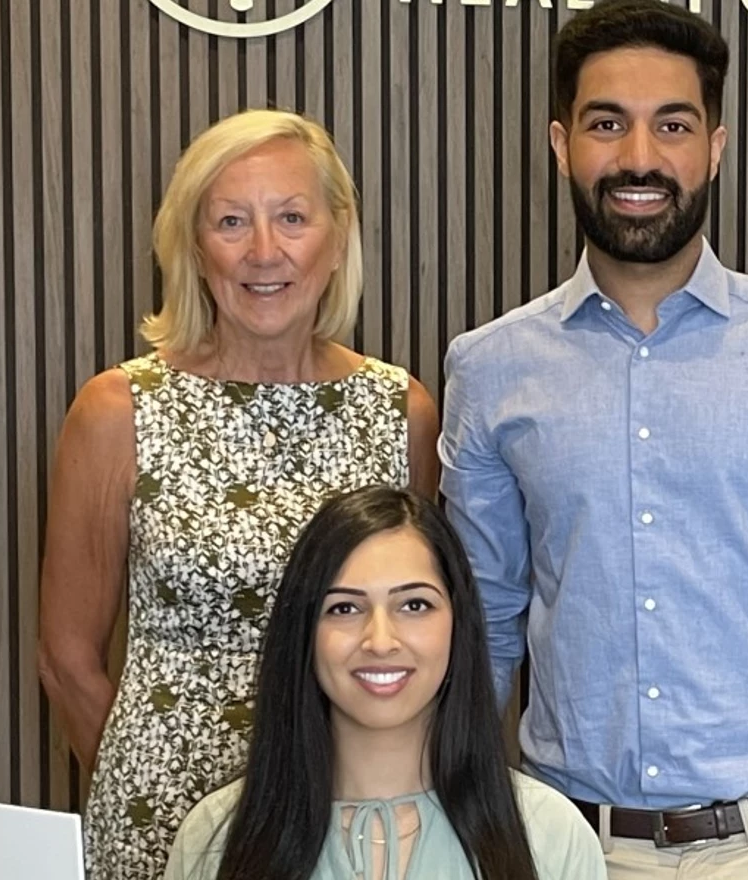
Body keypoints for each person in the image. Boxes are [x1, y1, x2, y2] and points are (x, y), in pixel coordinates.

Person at [438, 2, 748, 877]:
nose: (639, 158)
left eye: (672, 125)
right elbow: (483, 625)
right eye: (606, 124)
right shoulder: (490, 369)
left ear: (715, 144)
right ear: (562, 145)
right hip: (567, 847)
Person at [36, 109, 440, 880]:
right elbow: (66, 659)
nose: (265, 251)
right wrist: (144, 784)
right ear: (192, 243)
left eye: (291, 217)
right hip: (161, 815)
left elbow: (425, 629)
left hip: (347, 817)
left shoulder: (401, 411)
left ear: (337, 234)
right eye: (231, 221)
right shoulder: (118, 410)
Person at [161, 486, 605, 880]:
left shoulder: (549, 833)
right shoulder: (215, 837)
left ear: (458, 621)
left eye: (414, 605)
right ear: (303, 632)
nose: (380, 640)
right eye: (344, 609)